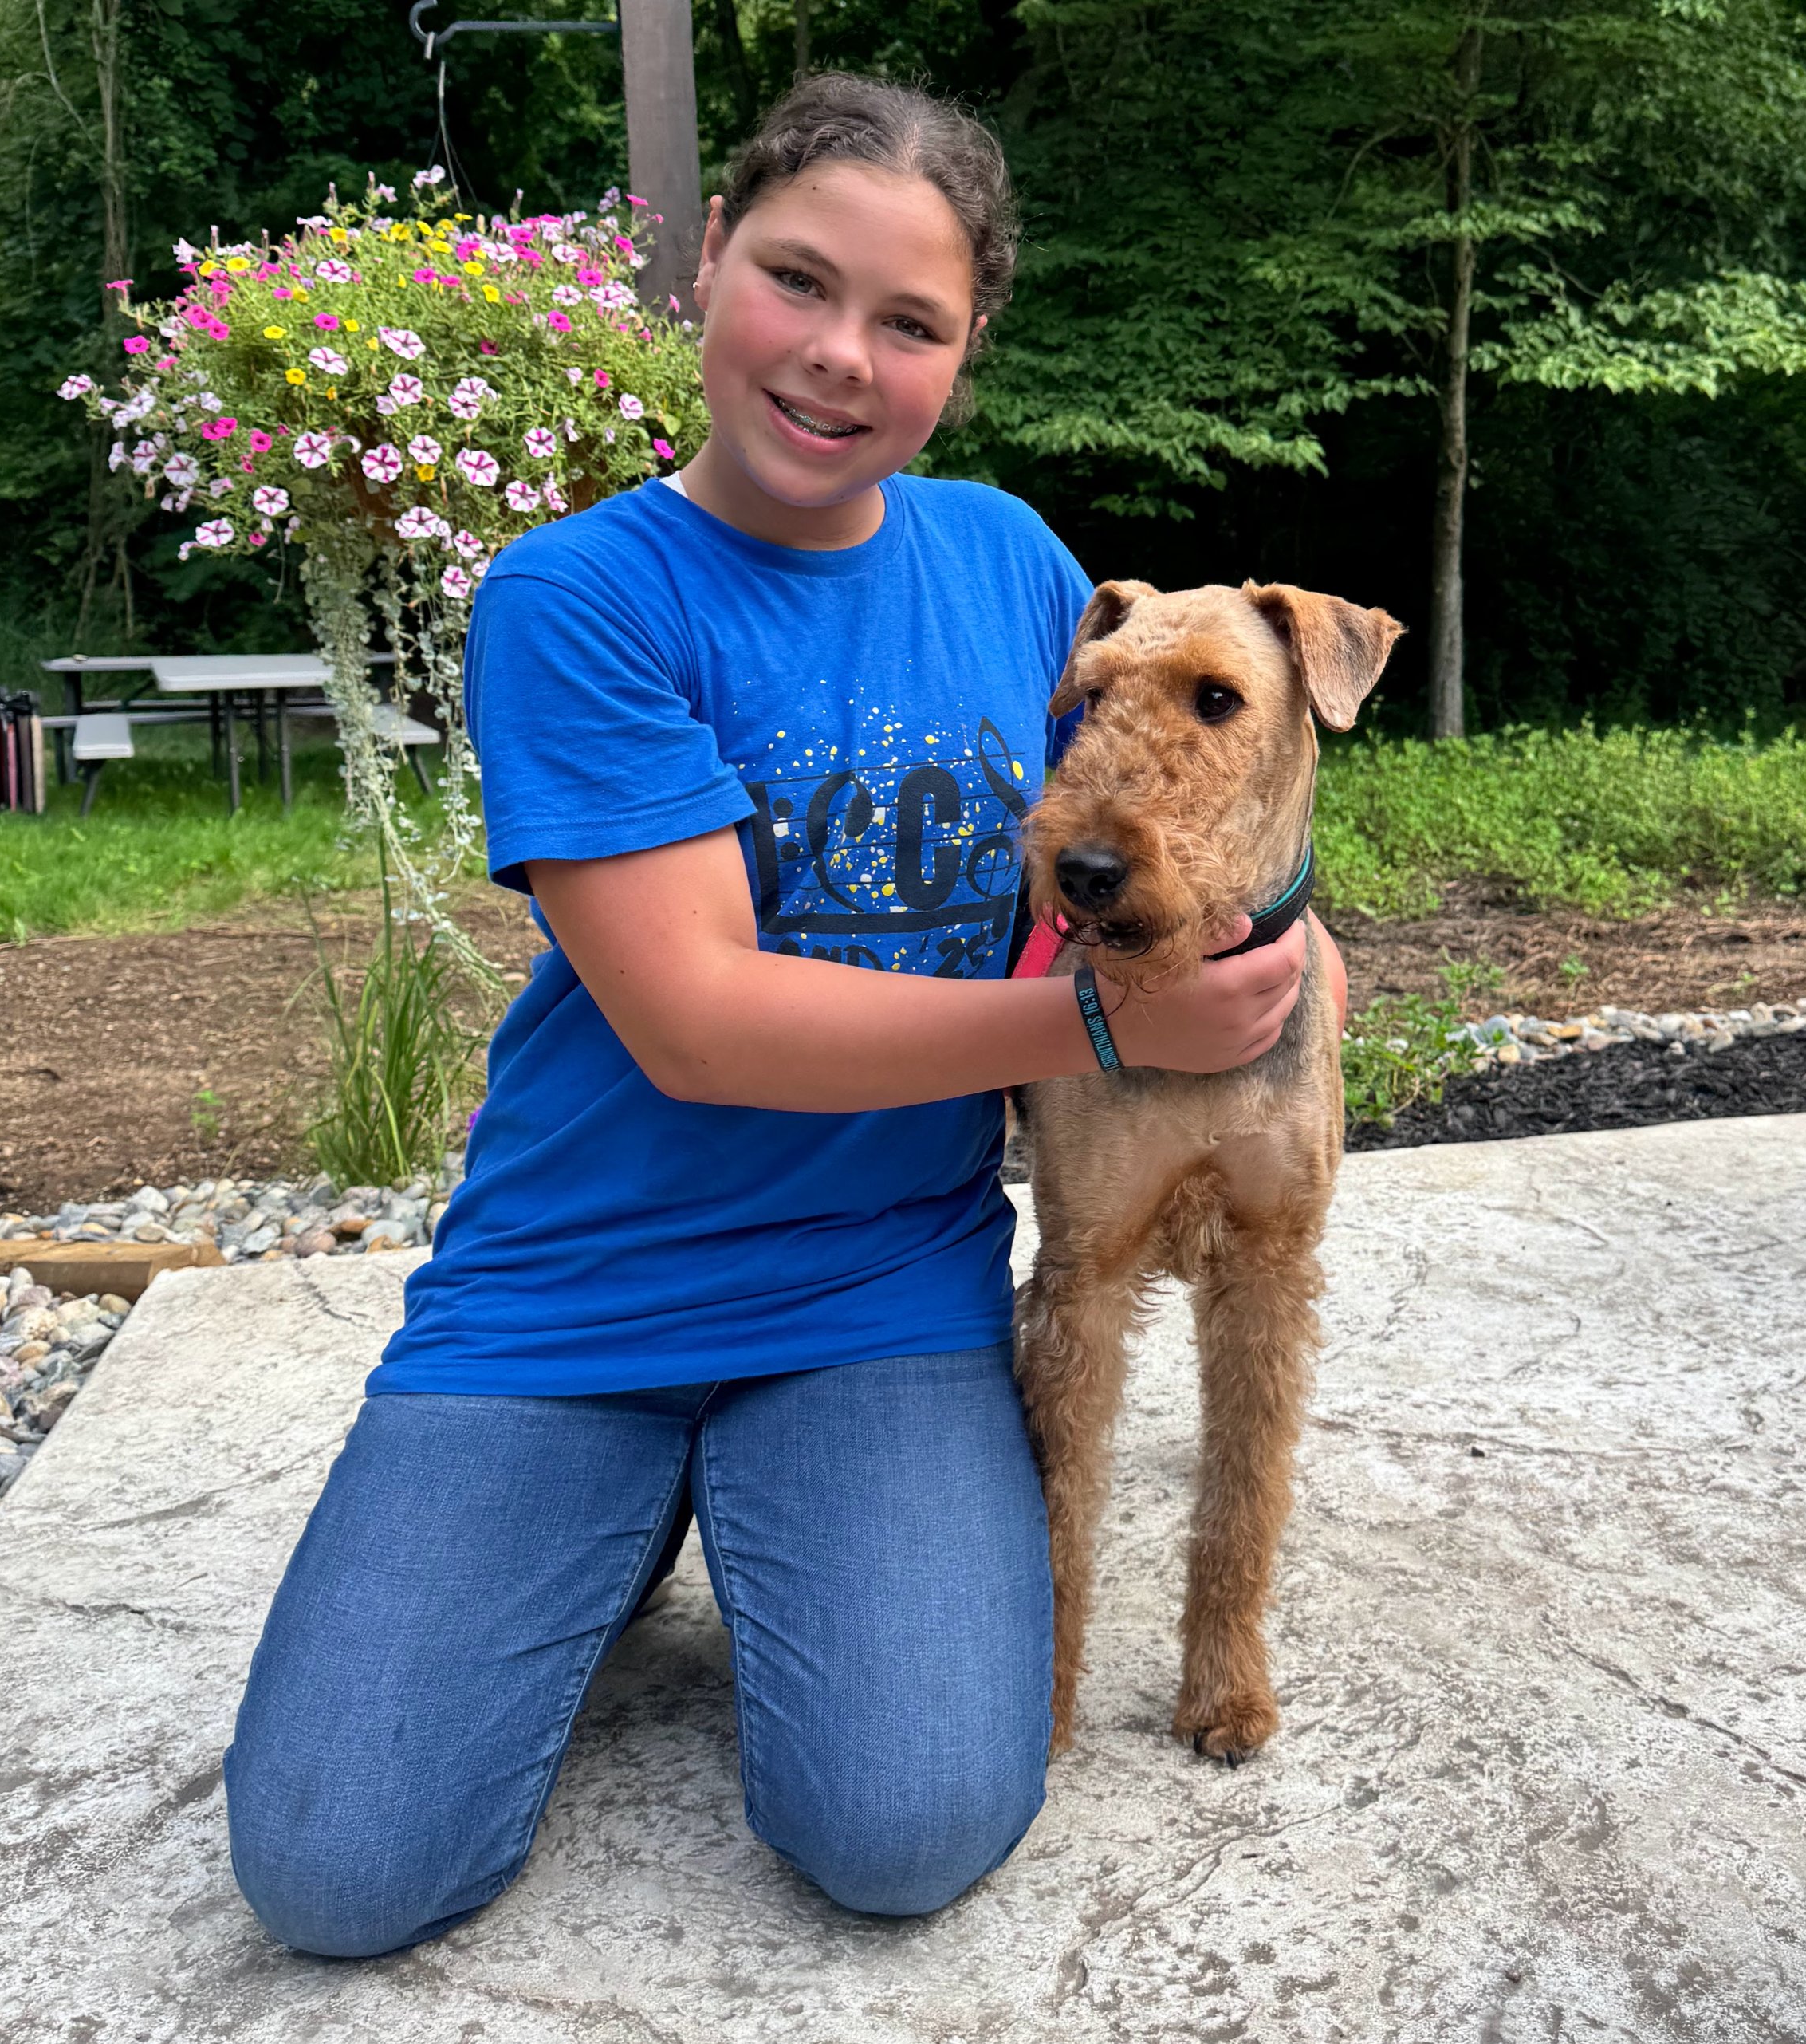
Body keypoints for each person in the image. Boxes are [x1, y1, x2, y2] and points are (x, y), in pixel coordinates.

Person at [223, 72, 1316, 1955]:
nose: (837, 357)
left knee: (905, 1829)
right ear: (704, 261)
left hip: (875, 1297)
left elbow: (1134, 840)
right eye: (796, 281)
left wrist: (1254, 947)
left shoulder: (1013, 570)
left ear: (965, 354)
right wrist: (1116, 1040)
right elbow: (703, 1023)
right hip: (567, 1301)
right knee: (338, 1870)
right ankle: (625, 1498)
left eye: (909, 321)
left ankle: (765, 1488)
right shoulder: (575, 595)